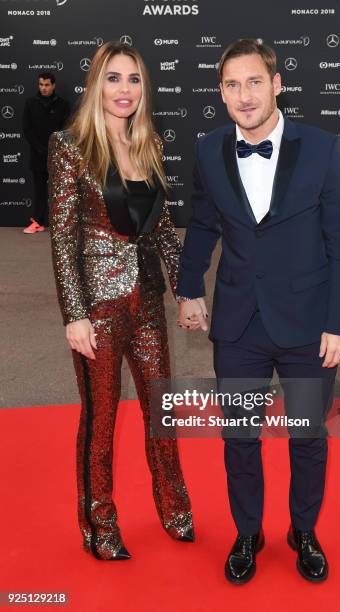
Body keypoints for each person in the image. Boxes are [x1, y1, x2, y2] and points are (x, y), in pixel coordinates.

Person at [177, 38, 340, 584]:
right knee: (239, 437)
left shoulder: (323, 149)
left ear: (277, 84)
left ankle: (303, 530)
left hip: (310, 326)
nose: (245, 94)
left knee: (306, 436)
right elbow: (204, 225)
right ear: (221, 93)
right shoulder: (210, 149)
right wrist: (189, 289)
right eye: (232, 84)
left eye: (255, 81)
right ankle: (247, 531)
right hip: (238, 325)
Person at [48, 41, 193, 561]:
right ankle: (100, 523)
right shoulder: (71, 145)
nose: (124, 89)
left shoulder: (149, 143)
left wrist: (188, 293)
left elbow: (161, 232)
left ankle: (175, 509)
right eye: (114, 78)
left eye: (133, 79)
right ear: (96, 84)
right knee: (101, 418)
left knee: (162, 412)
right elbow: (63, 238)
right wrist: (75, 315)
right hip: (99, 307)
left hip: (148, 300)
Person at [23, 72, 70, 234]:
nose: (43, 88)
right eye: (41, 85)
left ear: (53, 85)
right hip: (38, 156)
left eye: (47, 85)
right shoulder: (30, 103)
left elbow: (66, 129)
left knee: (61, 191)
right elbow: (27, 130)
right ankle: (37, 222)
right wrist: (40, 148)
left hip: (57, 155)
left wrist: (53, 148)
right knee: (40, 191)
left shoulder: (63, 105)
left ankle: (62, 225)